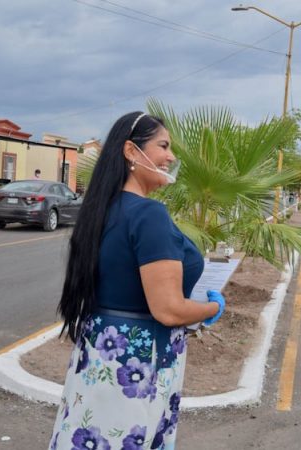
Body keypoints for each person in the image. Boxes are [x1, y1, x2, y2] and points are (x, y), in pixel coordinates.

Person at [49, 112, 225, 449]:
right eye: (163, 145)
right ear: (131, 151)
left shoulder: (103, 208)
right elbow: (169, 310)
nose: (171, 157)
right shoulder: (149, 214)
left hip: (99, 352)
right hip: (140, 357)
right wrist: (212, 307)